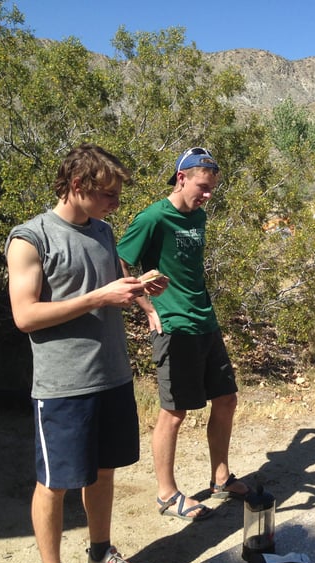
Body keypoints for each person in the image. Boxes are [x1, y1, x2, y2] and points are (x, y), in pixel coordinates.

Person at [4, 144, 155, 563]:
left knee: (104, 472)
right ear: (77, 186)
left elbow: (110, 285)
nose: (114, 204)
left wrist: (141, 292)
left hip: (113, 375)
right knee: (55, 483)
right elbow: (25, 316)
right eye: (108, 194)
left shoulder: (104, 232)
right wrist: (98, 298)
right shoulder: (31, 238)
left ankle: (101, 555)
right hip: (63, 385)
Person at [116, 146, 249, 522]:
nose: (207, 195)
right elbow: (120, 259)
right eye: (202, 187)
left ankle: (220, 477)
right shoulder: (154, 217)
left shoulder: (199, 217)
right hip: (174, 325)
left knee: (226, 400)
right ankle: (166, 494)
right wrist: (146, 304)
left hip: (204, 320)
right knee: (174, 412)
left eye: (211, 189)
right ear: (181, 178)